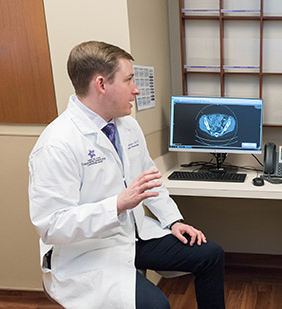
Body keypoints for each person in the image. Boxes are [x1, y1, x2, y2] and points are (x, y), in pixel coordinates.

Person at [29, 41, 225, 309]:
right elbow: (51, 226)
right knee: (156, 305)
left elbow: (151, 180)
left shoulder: (128, 126)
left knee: (210, 254)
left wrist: (174, 221)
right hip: (88, 250)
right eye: (129, 79)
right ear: (101, 84)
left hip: (135, 234)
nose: (136, 89)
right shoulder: (57, 144)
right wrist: (118, 204)